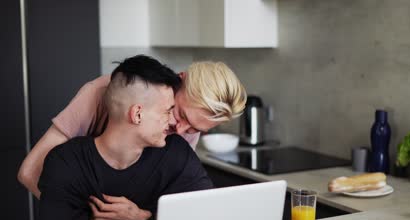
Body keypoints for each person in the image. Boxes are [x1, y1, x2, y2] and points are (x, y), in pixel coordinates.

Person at [37, 55, 213, 220]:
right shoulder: (66, 160)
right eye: (167, 111)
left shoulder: (177, 154)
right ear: (137, 114)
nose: (173, 123)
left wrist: (145, 218)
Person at [18, 57, 246, 199]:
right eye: (180, 113)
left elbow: (170, 199)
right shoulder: (101, 93)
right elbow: (30, 172)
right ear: (180, 79)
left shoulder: (185, 132)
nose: (180, 130)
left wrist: (142, 217)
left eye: (194, 129)